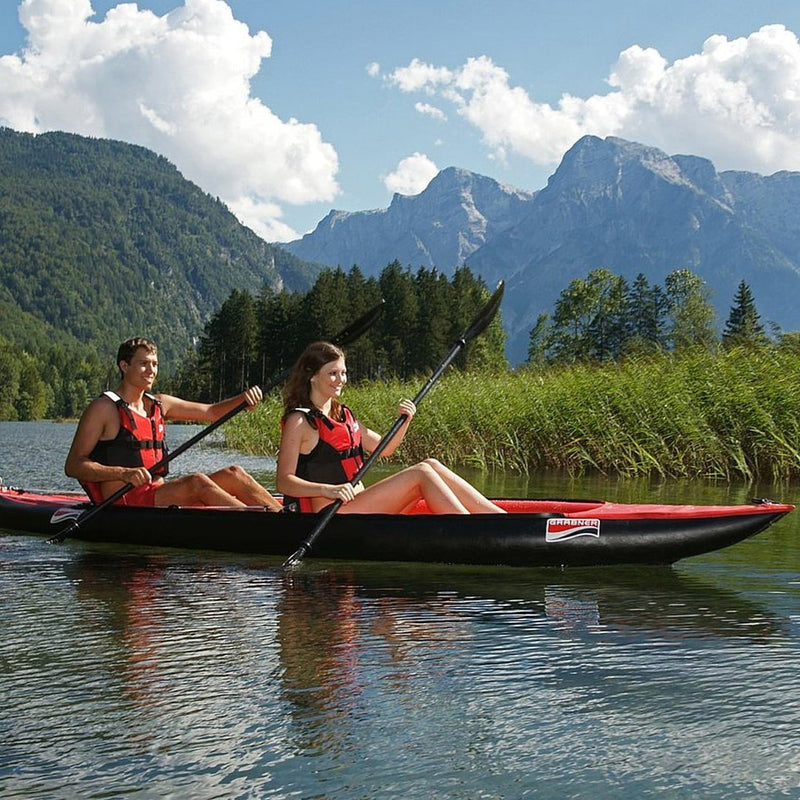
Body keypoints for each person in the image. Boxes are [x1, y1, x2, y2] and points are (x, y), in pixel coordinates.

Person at [276, 341, 506, 514]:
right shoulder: (299, 421)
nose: (341, 379)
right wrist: (328, 490)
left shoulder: (341, 414)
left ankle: (499, 520)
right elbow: (284, 481)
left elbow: (384, 448)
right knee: (421, 474)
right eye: (333, 373)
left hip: (358, 505)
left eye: (344, 372)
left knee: (430, 465)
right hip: (331, 514)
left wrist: (405, 420)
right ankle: (471, 529)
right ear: (312, 377)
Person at [65, 337, 282, 510]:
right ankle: (260, 527)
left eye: (155, 364)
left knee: (235, 474)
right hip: (125, 503)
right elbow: (73, 465)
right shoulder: (103, 408)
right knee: (196, 482)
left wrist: (243, 401)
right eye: (143, 364)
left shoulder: (160, 403)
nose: (151, 370)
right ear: (124, 366)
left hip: (156, 494)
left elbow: (212, 411)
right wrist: (123, 473)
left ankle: (282, 520)